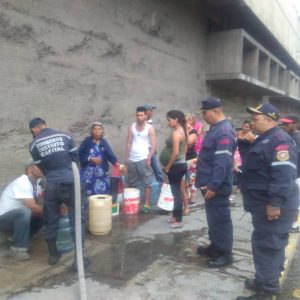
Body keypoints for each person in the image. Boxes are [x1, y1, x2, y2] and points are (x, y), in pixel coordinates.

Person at [236, 104, 299, 300]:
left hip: (273, 205)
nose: (252, 121)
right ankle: (265, 279)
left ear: (270, 120)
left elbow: (284, 175)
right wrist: (245, 145)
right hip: (262, 204)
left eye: (256, 117)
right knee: (268, 243)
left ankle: (267, 290)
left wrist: (275, 203)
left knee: (268, 246)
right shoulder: (265, 139)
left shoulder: (280, 141)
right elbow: (258, 164)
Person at [29, 118, 90, 270]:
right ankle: (78, 260)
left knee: (51, 219)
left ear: (34, 130)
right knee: (77, 219)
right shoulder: (65, 136)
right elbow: (75, 160)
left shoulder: (34, 144)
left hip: (50, 185)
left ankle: (53, 255)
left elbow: (41, 168)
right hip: (70, 182)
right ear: (45, 125)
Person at [195, 97, 236, 268]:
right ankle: (215, 246)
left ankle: (225, 253)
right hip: (209, 185)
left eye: (205, 113)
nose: (203, 116)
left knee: (221, 219)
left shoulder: (224, 131)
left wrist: (213, 186)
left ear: (216, 111)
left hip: (216, 187)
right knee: (213, 219)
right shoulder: (216, 129)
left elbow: (223, 162)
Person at [0, 161, 43, 261]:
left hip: (16, 219)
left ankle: (17, 238)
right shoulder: (22, 182)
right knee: (25, 211)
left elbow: (40, 203)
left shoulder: (37, 183)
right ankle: (17, 248)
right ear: (29, 169)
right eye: (39, 166)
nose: (43, 167)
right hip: (3, 219)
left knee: (42, 214)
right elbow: (32, 206)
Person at [159, 110, 187, 228]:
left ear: (176, 119)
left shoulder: (176, 133)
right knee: (176, 192)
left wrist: (168, 167)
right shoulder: (183, 131)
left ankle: (178, 220)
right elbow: (183, 149)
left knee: (176, 193)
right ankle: (175, 216)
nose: (168, 122)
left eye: (169, 119)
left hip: (176, 166)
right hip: (179, 165)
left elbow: (175, 153)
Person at [125, 107, 156, 213]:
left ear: (146, 116)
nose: (139, 117)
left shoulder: (149, 128)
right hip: (132, 159)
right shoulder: (132, 127)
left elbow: (153, 145)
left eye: (141, 115)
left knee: (147, 182)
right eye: (137, 115)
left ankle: (146, 204)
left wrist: (149, 158)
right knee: (132, 182)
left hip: (143, 158)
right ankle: (134, 203)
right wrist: (127, 157)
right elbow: (129, 142)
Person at [78, 121, 118, 196]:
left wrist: (118, 165)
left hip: (101, 175)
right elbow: (79, 155)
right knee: (87, 195)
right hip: (87, 176)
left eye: (99, 129)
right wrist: (90, 158)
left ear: (102, 131)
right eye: (95, 129)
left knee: (101, 194)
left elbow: (110, 155)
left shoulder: (103, 142)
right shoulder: (87, 141)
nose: (97, 131)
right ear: (92, 131)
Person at [280, 114, 300, 233]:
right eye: (283, 124)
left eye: (287, 124)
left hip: (298, 174)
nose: (284, 126)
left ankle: (295, 224)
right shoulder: (288, 136)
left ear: (296, 123)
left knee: (296, 200)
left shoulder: (298, 137)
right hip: (291, 174)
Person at [181, 113, 198, 215]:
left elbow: (188, 143)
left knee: (191, 178)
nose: (186, 123)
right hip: (183, 158)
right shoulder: (181, 131)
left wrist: (186, 130)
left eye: (188, 120)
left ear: (192, 121)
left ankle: (193, 197)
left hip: (191, 159)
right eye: (184, 121)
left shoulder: (193, 131)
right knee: (184, 180)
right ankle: (187, 197)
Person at [143, 103, 164, 184]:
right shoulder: (141, 122)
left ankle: (161, 188)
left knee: (158, 171)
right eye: (150, 110)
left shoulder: (150, 121)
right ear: (145, 111)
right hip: (144, 152)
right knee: (145, 172)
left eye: (152, 111)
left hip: (152, 151)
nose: (152, 112)